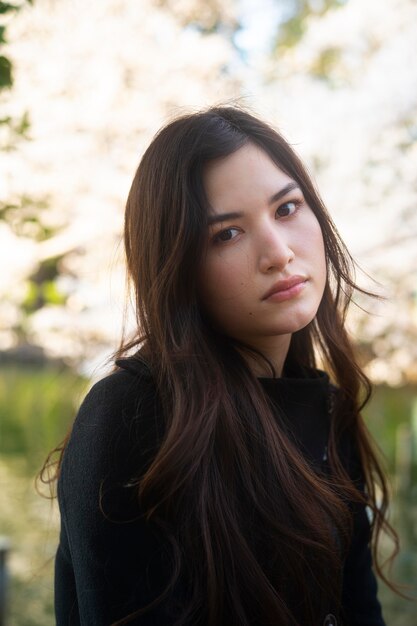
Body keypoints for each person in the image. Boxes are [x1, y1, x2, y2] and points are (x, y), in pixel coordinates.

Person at [51, 106, 398, 625]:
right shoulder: (132, 418)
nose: (279, 253)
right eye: (227, 234)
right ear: (179, 268)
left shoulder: (323, 406)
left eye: (286, 208)